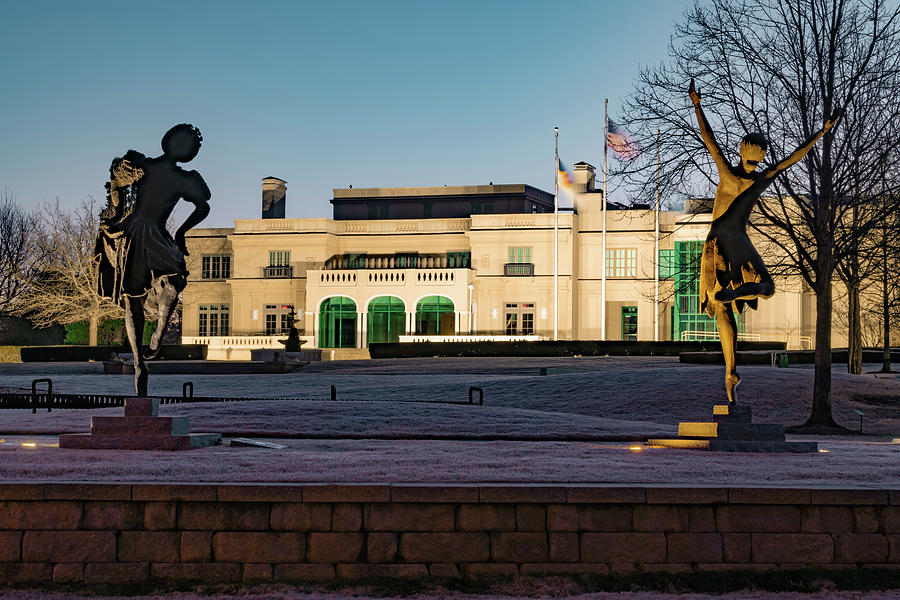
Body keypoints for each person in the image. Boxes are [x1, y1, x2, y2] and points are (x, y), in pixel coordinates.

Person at [689, 79, 839, 404]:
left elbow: (710, 140)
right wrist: (822, 133)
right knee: (767, 287)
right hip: (738, 240)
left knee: (722, 312)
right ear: (759, 157)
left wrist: (698, 105)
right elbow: (794, 158)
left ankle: (731, 367)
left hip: (715, 243)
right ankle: (731, 364)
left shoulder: (728, 174)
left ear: (742, 152)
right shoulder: (761, 179)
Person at [96, 124, 210, 396]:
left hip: (156, 233)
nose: (181, 147)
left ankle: (158, 331)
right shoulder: (141, 165)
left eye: (188, 145)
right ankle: (138, 363)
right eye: (179, 140)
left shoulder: (186, 178)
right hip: (134, 232)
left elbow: (203, 206)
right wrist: (116, 211)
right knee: (131, 300)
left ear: (190, 153)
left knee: (175, 279)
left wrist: (182, 232)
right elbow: (115, 186)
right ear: (167, 140)